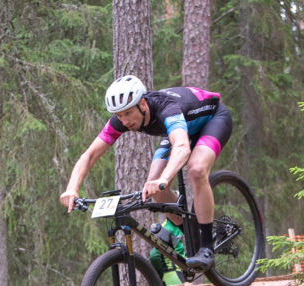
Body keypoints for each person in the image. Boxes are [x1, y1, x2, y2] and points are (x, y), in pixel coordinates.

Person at [60, 76, 233, 271]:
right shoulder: (121, 120)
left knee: (196, 169)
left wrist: (165, 178)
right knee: (154, 191)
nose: (124, 121)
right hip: (179, 131)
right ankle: (192, 234)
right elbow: (89, 155)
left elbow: (182, 147)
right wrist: (72, 189)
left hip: (212, 120)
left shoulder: (166, 108)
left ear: (143, 104)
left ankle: (207, 248)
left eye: (128, 113)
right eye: (119, 115)